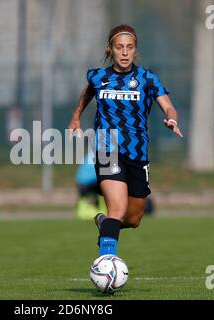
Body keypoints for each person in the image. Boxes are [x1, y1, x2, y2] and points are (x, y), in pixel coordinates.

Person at [67, 24, 183, 257]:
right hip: (107, 147)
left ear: (135, 50)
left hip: (137, 150)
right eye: (119, 47)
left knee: (133, 218)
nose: (124, 52)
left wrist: (171, 119)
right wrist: (76, 117)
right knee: (118, 209)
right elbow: (88, 92)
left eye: (129, 47)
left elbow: (168, 106)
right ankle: (106, 263)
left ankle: (105, 225)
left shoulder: (147, 79)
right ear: (110, 49)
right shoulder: (99, 77)